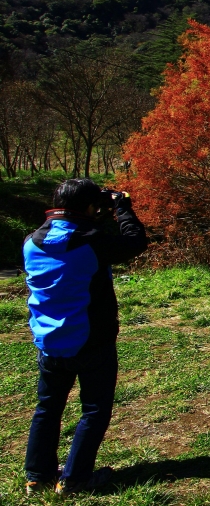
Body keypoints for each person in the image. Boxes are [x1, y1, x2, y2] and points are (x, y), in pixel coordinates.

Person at [22, 179, 148, 496]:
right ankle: (74, 479)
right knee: (94, 409)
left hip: (49, 340)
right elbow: (134, 242)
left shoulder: (30, 241)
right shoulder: (92, 242)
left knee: (47, 409)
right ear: (90, 208)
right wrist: (123, 207)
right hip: (92, 340)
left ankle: (37, 477)